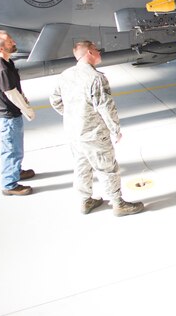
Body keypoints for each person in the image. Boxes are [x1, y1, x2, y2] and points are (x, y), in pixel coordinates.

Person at [49, 41, 143, 216]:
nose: (100, 53)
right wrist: (115, 129)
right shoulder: (96, 78)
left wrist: (73, 115)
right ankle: (118, 203)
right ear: (90, 53)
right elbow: (105, 106)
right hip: (94, 133)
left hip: (74, 132)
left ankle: (85, 200)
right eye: (97, 50)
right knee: (107, 168)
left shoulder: (65, 75)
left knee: (81, 166)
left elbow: (54, 100)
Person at [0, 31, 35, 196]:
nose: (13, 42)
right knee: (12, 150)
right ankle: (9, 183)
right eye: (9, 42)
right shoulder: (1, 68)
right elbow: (11, 93)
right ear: (1, 47)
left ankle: (16, 170)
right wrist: (27, 110)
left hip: (11, 115)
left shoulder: (6, 63)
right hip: (8, 117)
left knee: (16, 148)